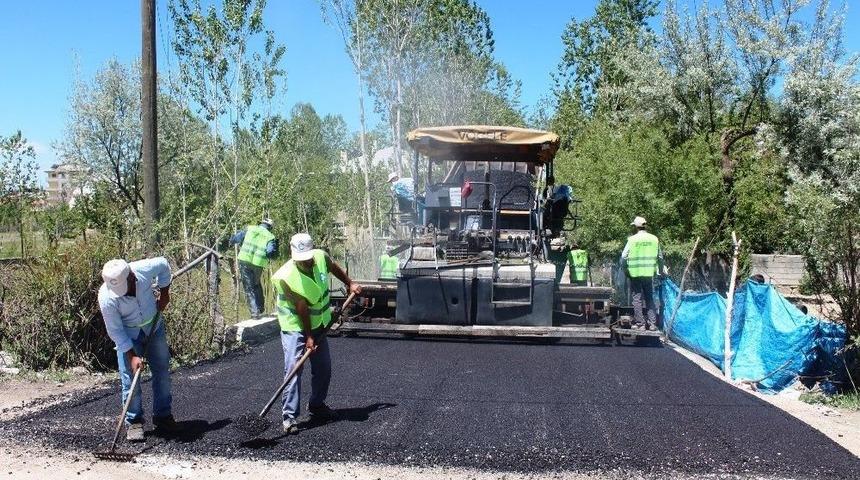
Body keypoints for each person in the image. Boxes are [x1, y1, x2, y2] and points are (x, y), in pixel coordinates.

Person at [271, 233, 362, 433]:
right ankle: (289, 417)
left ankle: (316, 405)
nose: (304, 263)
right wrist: (309, 337)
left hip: (319, 322)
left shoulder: (321, 257)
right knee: (294, 369)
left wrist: (349, 283)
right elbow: (301, 307)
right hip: (295, 325)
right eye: (300, 260)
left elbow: (333, 267)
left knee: (323, 367)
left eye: (307, 258)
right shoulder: (285, 276)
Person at [98, 257, 179, 442]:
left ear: (131, 277)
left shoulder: (143, 269)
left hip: (154, 327)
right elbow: (115, 331)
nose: (121, 293)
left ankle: (163, 417)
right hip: (129, 335)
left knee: (162, 372)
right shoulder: (107, 297)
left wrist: (165, 292)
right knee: (130, 378)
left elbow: (164, 265)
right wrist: (132, 355)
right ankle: (134, 422)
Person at [621, 216, 665, 331]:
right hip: (648, 273)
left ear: (636, 226)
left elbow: (623, 256)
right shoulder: (654, 239)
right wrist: (660, 271)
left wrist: (625, 269)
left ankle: (640, 324)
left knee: (637, 298)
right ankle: (652, 324)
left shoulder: (632, 240)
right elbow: (660, 257)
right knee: (649, 298)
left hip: (635, 273)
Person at [230, 218, 279, 318]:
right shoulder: (270, 236)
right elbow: (270, 252)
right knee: (256, 284)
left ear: (261, 223)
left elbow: (236, 239)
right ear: (270, 227)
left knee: (249, 287)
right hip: (258, 263)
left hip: (244, 260)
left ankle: (254, 313)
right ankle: (260, 307)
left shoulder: (250, 229)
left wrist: (231, 241)